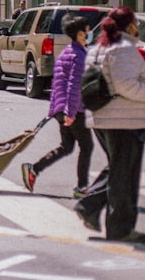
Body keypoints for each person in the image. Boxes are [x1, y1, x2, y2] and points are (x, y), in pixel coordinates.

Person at [74, 7, 145, 243]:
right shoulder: (124, 50)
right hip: (125, 120)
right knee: (124, 177)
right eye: (135, 22)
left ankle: (92, 207)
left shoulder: (99, 48)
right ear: (129, 25)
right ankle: (118, 228)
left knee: (118, 170)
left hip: (105, 117)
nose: (137, 26)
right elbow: (127, 86)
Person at [21, 15, 94, 197]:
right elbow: (74, 85)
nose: (89, 33)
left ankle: (34, 169)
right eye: (87, 30)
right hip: (74, 109)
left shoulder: (67, 52)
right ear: (79, 34)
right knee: (87, 146)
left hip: (61, 108)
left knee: (66, 147)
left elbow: (58, 84)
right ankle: (82, 187)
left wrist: (57, 110)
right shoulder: (79, 55)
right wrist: (70, 112)